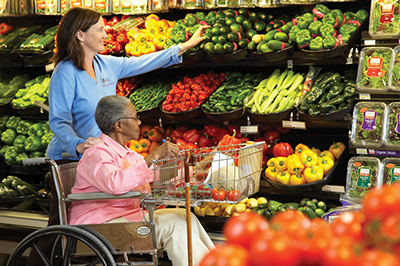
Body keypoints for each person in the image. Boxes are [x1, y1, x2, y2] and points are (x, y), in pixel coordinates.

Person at [69, 95, 215, 266]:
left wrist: (194, 172)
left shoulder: (128, 154)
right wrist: (153, 156)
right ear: (119, 125)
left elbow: (155, 174)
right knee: (173, 224)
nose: (139, 123)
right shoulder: (97, 153)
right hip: (100, 225)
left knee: (184, 215)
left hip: (127, 217)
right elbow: (116, 183)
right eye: (135, 118)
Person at [47, 6, 208, 160]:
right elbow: (59, 121)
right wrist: (78, 145)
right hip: (68, 159)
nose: (105, 35)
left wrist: (184, 46)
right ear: (80, 35)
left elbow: (143, 62)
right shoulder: (65, 72)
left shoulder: (106, 64)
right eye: (99, 30)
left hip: (99, 155)